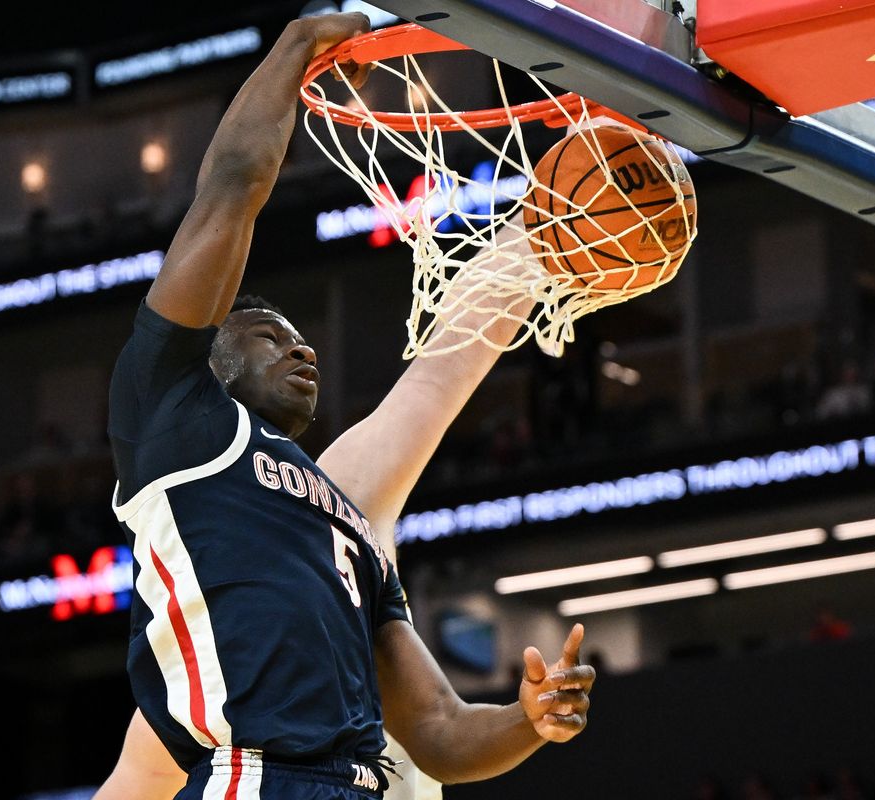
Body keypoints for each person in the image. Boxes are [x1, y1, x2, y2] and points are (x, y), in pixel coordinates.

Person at [95, 13, 593, 800]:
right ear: (211, 365)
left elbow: (436, 732)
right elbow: (232, 187)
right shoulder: (173, 421)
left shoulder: (349, 521)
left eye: (303, 340)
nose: (305, 349)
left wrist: (528, 720)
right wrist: (294, 54)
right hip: (255, 779)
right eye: (269, 335)